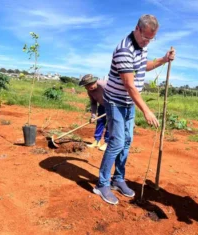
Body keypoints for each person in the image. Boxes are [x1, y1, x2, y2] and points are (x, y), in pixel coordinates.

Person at [93, 14, 176, 205]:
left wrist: (163, 60)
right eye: (145, 37)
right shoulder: (125, 49)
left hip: (129, 103)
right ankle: (102, 184)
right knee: (117, 141)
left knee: (127, 140)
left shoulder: (141, 47)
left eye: (151, 39)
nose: (147, 42)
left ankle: (118, 179)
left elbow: (141, 66)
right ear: (137, 29)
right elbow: (130, 85)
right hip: (115, 101)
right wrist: (146, 110)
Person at [79, 74, 109, 151]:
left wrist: (113, 109)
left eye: (90, 84)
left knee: (110, 124)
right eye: (87, 85)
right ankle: (97, 141)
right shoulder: (90, 91)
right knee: (99, 121)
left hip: (113, 106)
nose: (89, 87)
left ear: (95, 81)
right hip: (102, 105)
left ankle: (107, 143)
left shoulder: (104, 85)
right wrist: (93, 115)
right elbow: (93, 103)